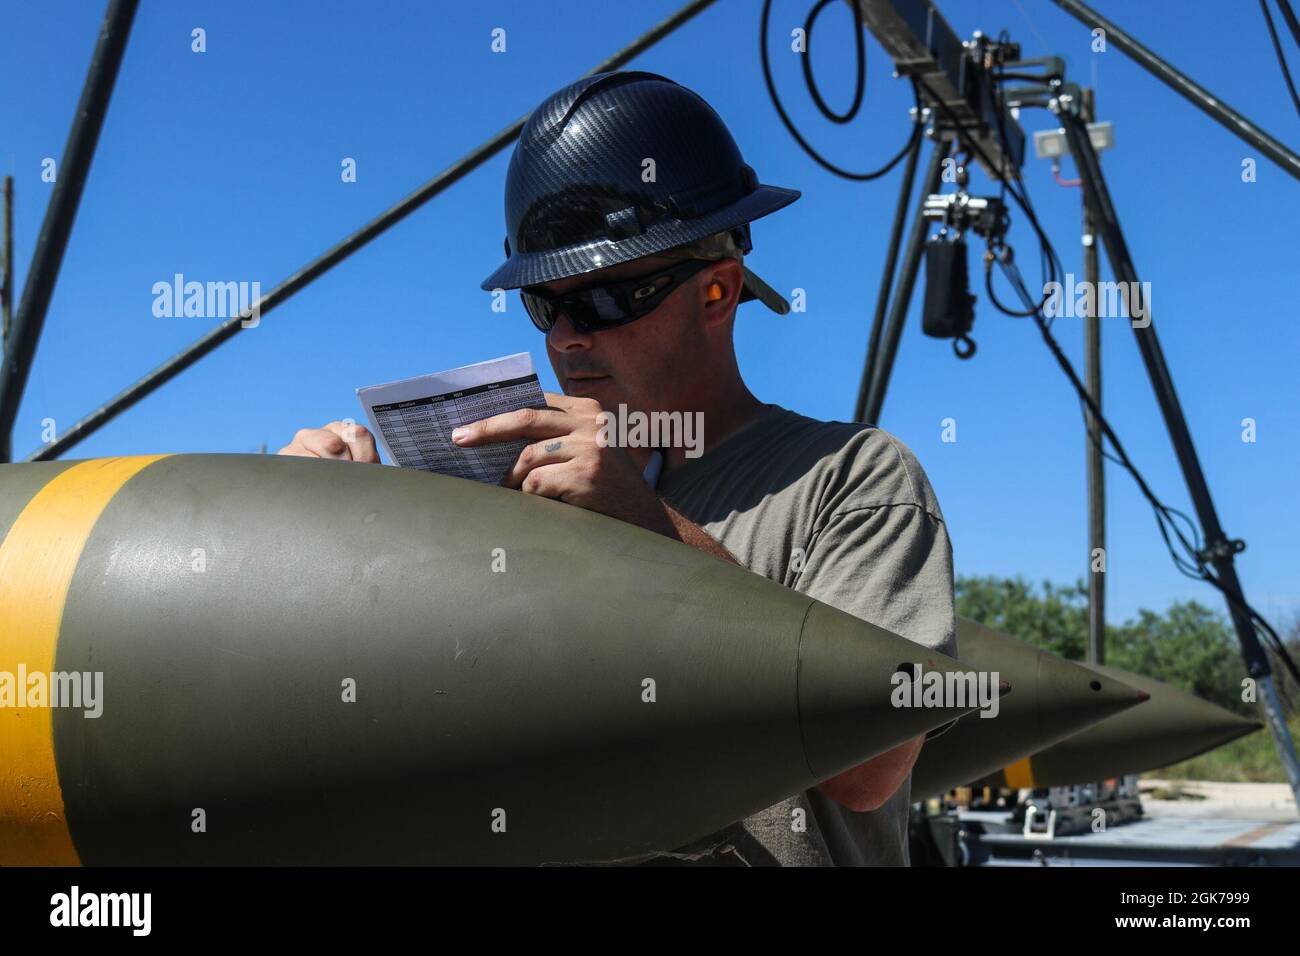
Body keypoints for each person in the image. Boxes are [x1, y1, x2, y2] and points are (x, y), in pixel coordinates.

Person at [279, 70, 956, 866]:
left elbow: (870, 770)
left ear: (716, 290)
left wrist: (645, 525)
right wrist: (323, 541)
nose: (566, 337)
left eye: (603, 300)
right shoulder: (522, 501)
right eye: (545, 306)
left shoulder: (854, 481)